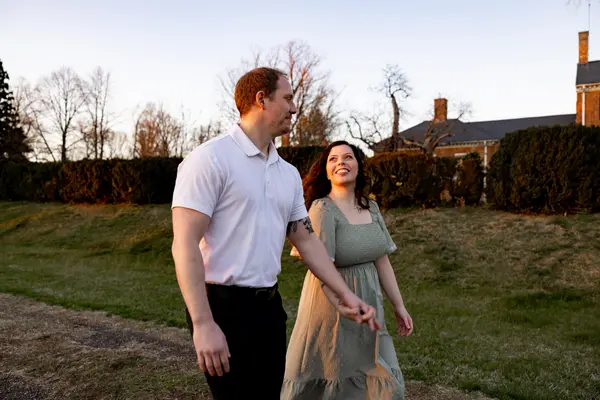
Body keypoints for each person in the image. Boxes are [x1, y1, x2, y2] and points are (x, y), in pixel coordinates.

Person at [170, 67, 381, 400]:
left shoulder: (287, 174)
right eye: (288, 98)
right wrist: (203, 323)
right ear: (261, 99)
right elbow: (184, 244)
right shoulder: (210, 159)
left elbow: (306, 240)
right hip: (222, 308)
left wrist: (345, 294)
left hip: (269, 308)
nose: (294, 108)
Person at [281, 140, 414, 400]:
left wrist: (399, 306)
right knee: (333, 375)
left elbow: (382, 261)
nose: (341, 162)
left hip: (369, 301)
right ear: (326, 171)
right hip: (331, 305)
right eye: (333, 159)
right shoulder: (322, 209)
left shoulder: (371, 208)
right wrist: (343, 304)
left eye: (348, 157)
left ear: (359, 166)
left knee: (382, 381)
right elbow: (320, 266)